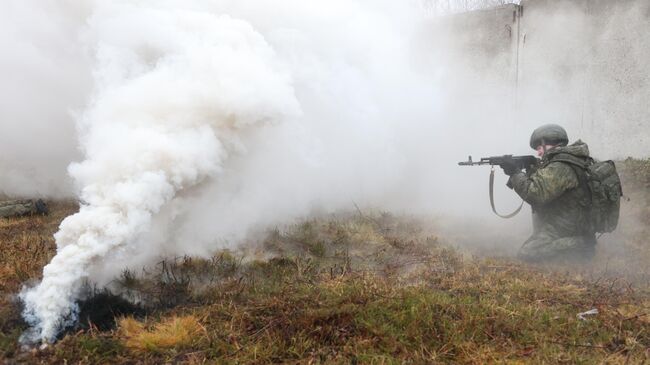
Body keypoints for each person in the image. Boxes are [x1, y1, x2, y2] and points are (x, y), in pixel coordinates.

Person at [500, 124, 596, 262]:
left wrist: (515, 173)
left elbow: (536, 194)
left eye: (539, 148)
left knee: (528, 253)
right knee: (531, 246)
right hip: (570, 220)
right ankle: (576, 241)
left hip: (568, 226)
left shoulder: (561, 166)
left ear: (549, 144)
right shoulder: (569, 160)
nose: (538, 153)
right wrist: (530, 171)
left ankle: (581, 244)